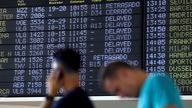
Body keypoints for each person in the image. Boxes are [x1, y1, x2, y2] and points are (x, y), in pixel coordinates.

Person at [101, 61, 183, 108]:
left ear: (124, 74)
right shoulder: (144, 94)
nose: (120, 96)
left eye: (117, 89)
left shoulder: (157, 80)